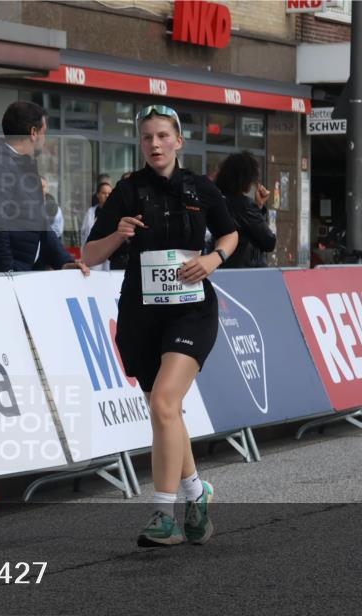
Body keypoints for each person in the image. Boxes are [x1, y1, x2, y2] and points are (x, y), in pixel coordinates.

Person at [83, 105, 238, 547]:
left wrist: (212, 259)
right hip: (141, 313)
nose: (154, 144)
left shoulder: (201, 188)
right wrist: (119, 236)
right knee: (165, 411)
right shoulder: (128, 191)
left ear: (178, 141)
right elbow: (90, 255)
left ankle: (162, 514)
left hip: (192, 311)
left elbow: (230, 234)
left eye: (163, 136)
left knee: (165, 403)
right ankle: (197, 493)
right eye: (147, 137)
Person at [0, 101, 89, 275]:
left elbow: (41, 225)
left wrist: (64, 261)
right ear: (33, 132)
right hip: (0, 277)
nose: (45, 140)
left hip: (19, 274)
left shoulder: (23, 169)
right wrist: (8, 272)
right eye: (44, 132)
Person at [213, 151, 275, 268]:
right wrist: (256, 208)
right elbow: (269, 242)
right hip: (245, 273)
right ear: (245, 180)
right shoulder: (244, 206)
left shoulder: (217, 200)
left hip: (219, 269)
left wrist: (258, 206)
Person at [81, 182, 114, 271]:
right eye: (104, 193)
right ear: (98, 195)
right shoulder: (90, 212)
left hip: (110, 252)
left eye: (109, 194)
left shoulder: (116, 213)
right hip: (94, 251)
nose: (107, 196)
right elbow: (84, 234)